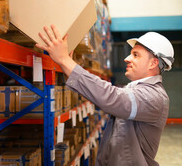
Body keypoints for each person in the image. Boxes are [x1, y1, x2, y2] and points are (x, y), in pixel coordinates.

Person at [36, 25, 174, 166]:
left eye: (135, 55)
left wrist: (65, 60)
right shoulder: (137, 89)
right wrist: (66, 65)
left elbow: (111, 98)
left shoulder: (154, 97)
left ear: (153, 63)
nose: (127, 58)